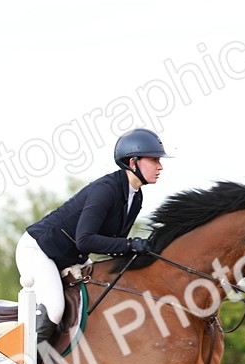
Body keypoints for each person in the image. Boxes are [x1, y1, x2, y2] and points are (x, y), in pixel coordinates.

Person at [17, 128, 169, 350]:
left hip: (72, 257)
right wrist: (130, 245)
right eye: (154, 160)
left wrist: (141, 249)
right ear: (133, 162)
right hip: (39, 250)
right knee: (55, 307)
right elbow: (86, 240)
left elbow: (112, 244)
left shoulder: (135, 198)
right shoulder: (106, 190)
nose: (160, 166)